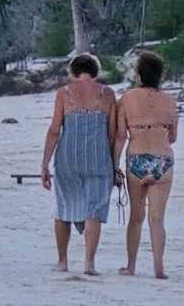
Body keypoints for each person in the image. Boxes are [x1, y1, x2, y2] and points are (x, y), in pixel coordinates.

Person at [40, 54, 122, 275]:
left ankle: (62, 261)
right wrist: (114, 165)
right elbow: (113, 133)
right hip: (98, 157)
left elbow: (54, 130)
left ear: (73, 72)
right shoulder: (108, 94)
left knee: (64, 207)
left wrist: (45, 163)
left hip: (68, 157)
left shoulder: (64, 93)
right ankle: (89, 264)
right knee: (94, 211)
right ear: (95, 71)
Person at [116, 52, 178, 280]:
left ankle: (131, 266)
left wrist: (114, 163)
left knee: (136, 216)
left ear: (139, 73)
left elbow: (121, 136)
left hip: (136, 159)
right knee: (157, 218)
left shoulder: (126, 99)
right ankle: (159, 268)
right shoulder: (170, 101)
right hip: (162, 160)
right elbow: (173, 137)